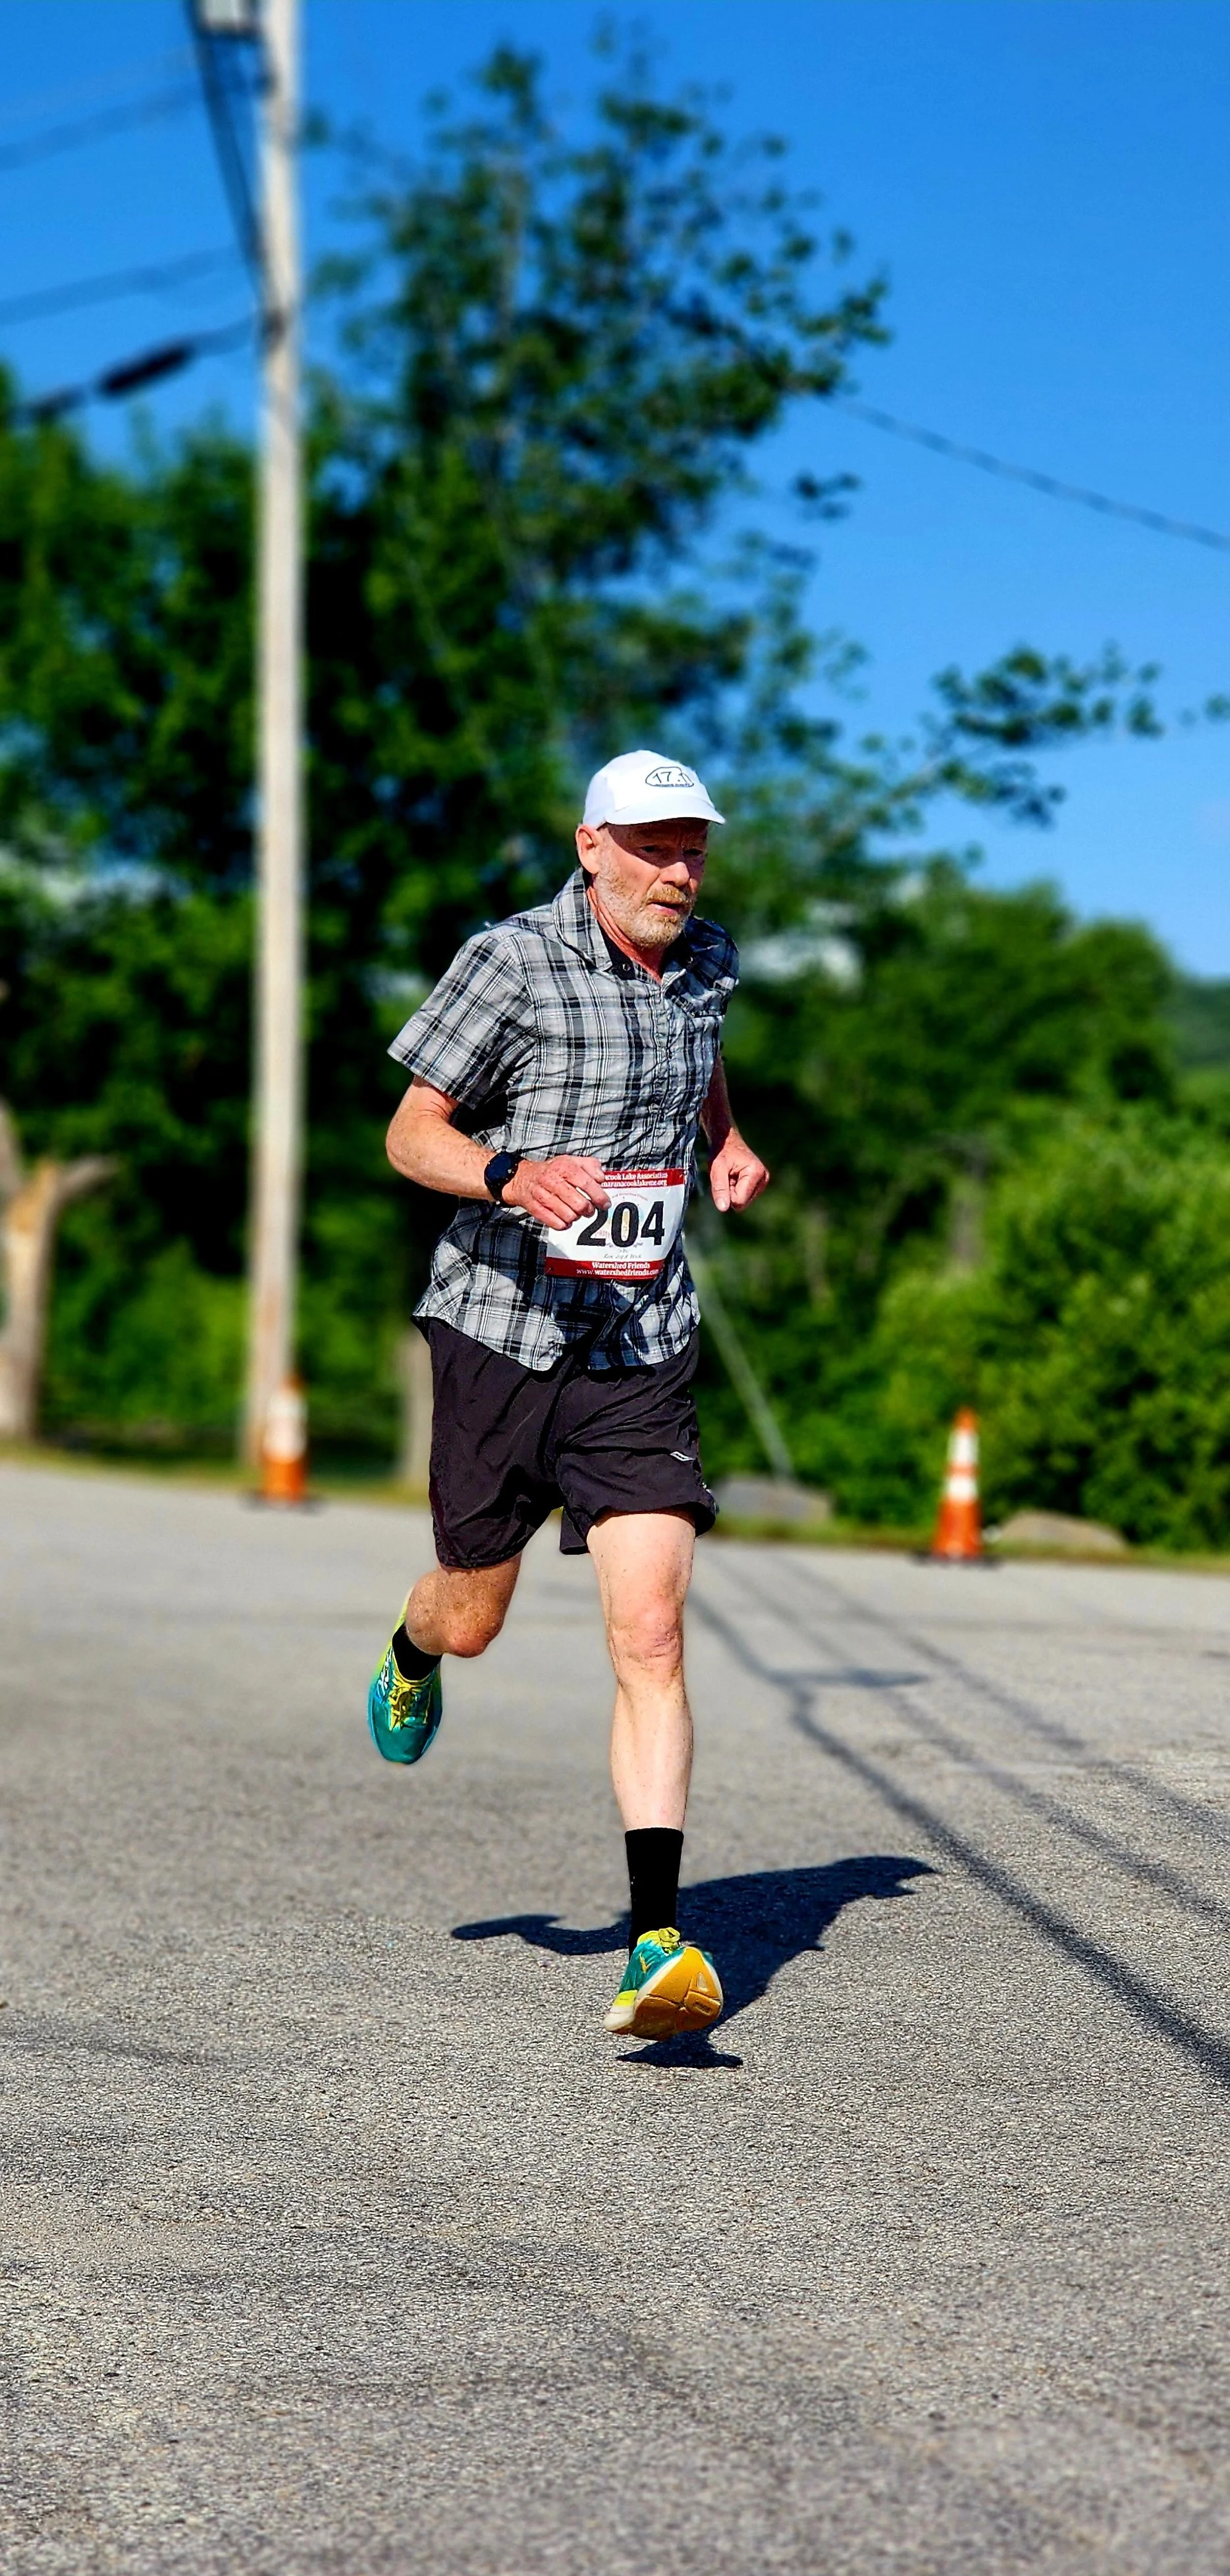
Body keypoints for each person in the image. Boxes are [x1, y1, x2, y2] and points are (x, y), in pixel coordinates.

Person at [369, 750, 770, 2039]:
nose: (677, 868)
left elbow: (696, 1055)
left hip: (639, 1341)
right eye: (651, 844)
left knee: (649, 1632)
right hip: (499, 1327)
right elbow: (408, 1130)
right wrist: (506, 1173)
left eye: (691, 845)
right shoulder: (511, 957)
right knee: (474, 1616)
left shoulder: (706, 958)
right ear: (589, 844)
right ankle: (408, 1645)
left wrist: (725, 1140)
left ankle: (655, 1939)